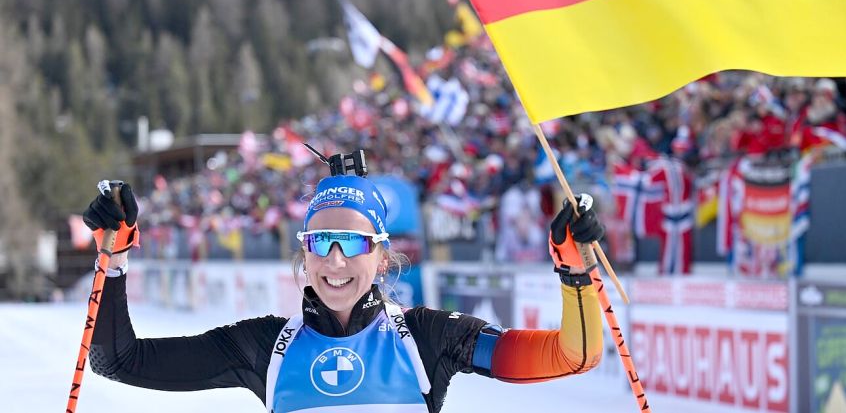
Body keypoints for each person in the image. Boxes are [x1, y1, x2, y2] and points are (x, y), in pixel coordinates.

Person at [83, 155, 605, 413]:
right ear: (303, 253)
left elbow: (572, 357)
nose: (336, 260)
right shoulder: (264, 347)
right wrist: (115, 256)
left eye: (354, 243)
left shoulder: (427, 337)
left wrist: (574, 272)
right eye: (321, 241)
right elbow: (118, 361)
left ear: (380, 256)